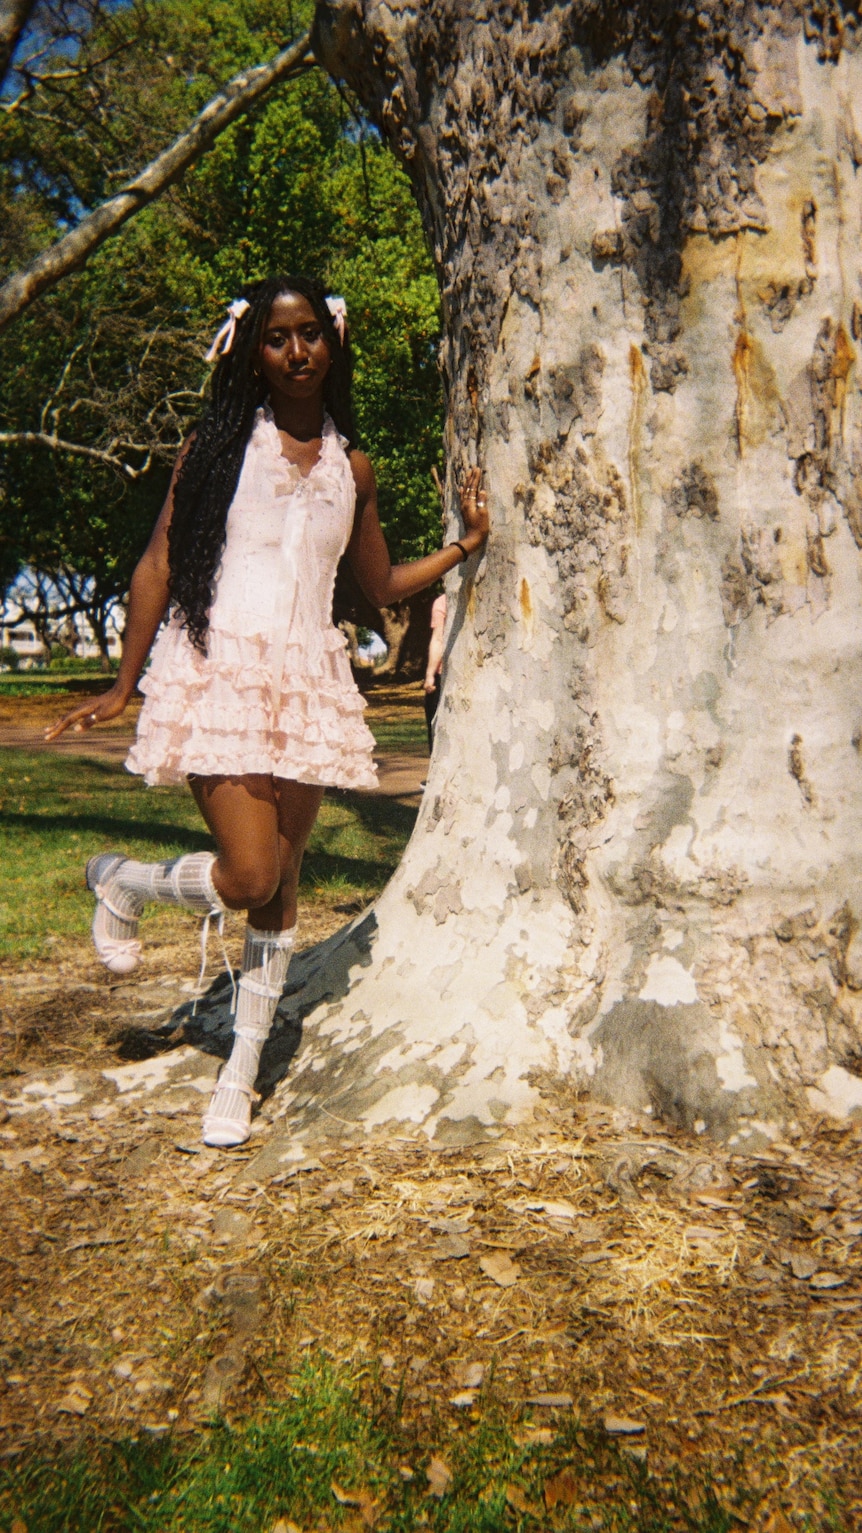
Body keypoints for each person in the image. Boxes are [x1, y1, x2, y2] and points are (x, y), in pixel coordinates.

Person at [45, 276, 489, 1148]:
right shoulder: (215, 448)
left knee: (280, 888)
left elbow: (379, 584)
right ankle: (123, 880)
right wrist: (121, 681)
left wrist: (467, 543)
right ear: (253, 350)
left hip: (309, 688)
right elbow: (157, 565)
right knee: (248, 875)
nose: (298, 351)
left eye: (312, 333)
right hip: (219, 672)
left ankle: (241, 1074)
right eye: (279, 337)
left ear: (334, 343)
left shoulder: (350, 468)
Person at [423, 592, 446, 750]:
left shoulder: (443, 602)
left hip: (444, 675)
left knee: (436, 726)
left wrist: (430, 674)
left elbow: (438, 638)